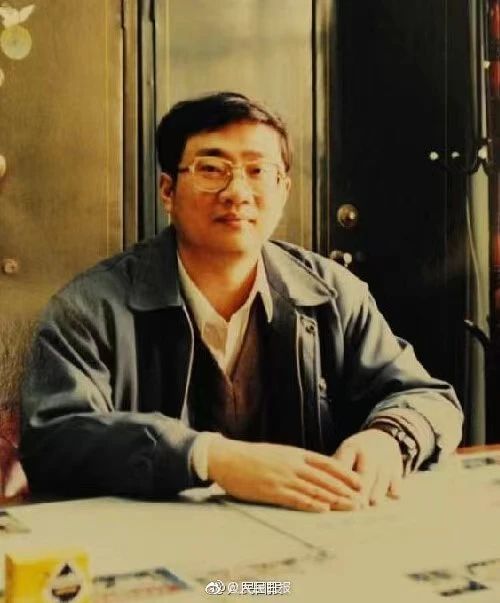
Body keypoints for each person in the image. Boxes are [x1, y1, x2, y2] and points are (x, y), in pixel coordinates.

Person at [21, 92, 463, 512]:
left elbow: (428, 398)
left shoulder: (332, 293)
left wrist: (389, 438)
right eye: (212, 169)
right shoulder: (89, 308)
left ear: (283, 189)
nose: (237, 192)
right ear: (167, 191)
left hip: (308, 540)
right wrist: (207, 457)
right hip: (162, 548)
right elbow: (53, 439)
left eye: (258, 171)